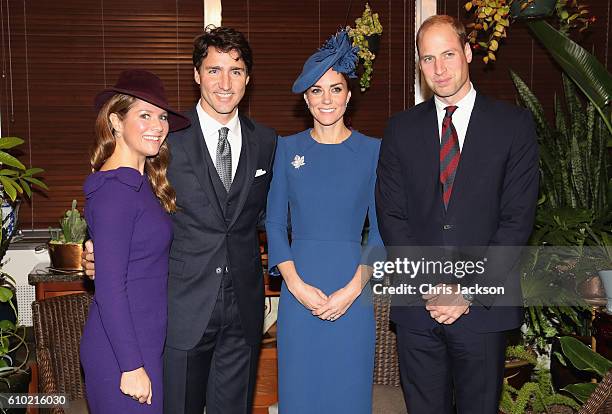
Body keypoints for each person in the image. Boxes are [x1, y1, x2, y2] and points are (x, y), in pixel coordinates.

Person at [83, 26, 277, 414]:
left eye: (235, 71)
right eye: (213, 69)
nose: (225, 82)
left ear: (248, 79)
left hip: (244, 312)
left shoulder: (267, 141)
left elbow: (269, 216)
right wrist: (94, 255)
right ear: (196, 74)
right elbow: (119, 201)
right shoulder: (164, 137)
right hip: (179, 313)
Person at [375, 15, 539, 414]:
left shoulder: (513, 125)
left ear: (467, 53)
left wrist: (465, 290)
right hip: (419, 307)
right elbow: (391, 216)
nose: (440, 69)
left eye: (448, 54)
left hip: (483, 309)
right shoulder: (400, 129)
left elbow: (517, 219)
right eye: (428, 59)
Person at [265, 30, 384, 413]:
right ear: (306, 98)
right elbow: (273, 222)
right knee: (301, 394)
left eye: (335, 89)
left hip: (353, 290)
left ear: (349, 95)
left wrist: (352, 290)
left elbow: (383, 231)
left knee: (348, 393)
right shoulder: (286, 149)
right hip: (299, 291)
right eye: (317, 91)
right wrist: (296, 285)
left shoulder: (372, 152)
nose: (326, 99)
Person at [80, 69, 190, 413]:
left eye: (161, 116)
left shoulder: (141, 185)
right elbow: (110, 287)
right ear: (115, 121)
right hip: (122, 353)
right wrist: (130, 365)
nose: (157, 125)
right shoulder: (116, 190)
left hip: (144, 341)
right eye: (144, 115)